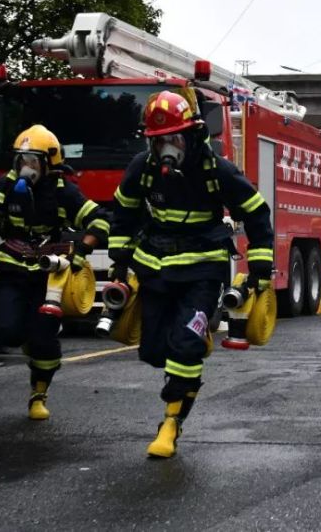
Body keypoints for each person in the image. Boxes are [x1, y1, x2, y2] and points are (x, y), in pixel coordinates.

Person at [108, 90, 274, 458]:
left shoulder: (218, 170)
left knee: (183, 346)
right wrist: (120, 256)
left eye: (174, 137)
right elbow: (124, 212)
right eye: (159, 140)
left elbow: (257, 213)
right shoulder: (142, 168)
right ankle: (194, 341)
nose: (167, 146)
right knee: (153, 351)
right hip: (155, 268)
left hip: (202, 269)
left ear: (192, 135)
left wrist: (260, 264)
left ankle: (170, 424)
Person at [0, 125, 109, 420]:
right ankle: (25, 335)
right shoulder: (6, 188)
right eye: (21, 160)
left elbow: (100, 222)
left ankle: (38, 393)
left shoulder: (63, 191)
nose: (26, 168)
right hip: (11, 270)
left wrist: (82, 251)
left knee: (43, 341)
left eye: (33, 161)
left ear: (49, 163)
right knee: (5, 332)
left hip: (48, 276)